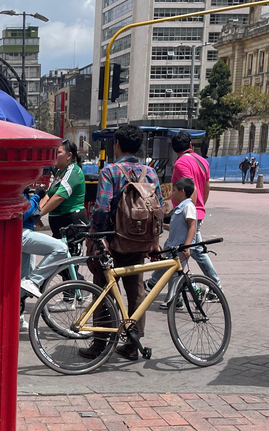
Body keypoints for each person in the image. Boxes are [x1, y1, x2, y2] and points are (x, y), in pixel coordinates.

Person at [79, 125, 163, 362]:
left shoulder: (111, 172)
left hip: (113, 242)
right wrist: (154, 241)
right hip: (140, 242)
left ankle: (100, 344)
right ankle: (133, 343)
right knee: (136, 291)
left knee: (103, 290)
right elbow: (159, 210)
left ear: (117, 144)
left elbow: (103, 208)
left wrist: (95, 235)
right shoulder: (150, 173)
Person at [147, 131, 222, 290]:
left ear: (174, 149)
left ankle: (211, 287)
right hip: (196, 211)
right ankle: (155, 282)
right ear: (190, 145)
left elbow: (192, 189)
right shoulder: (202, 161)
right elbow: (206, 187)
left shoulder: (181, 164)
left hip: (187, 214)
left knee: (191, 252)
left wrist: (191, 212)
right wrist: (201, 208)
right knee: (173, 249)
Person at [38, 139, 87, 305]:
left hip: (72, 220)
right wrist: (37, 211)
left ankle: (73, 295)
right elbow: (49, 194)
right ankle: (77, 290)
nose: (55, 156)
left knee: (68, 260)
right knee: (60, 259)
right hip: (59, 222)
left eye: (58, 152)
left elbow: (59, 196)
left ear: (69, 155)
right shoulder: (59, 173)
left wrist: (39, 215)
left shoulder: (73, 171)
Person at [19, 186, 72, 331]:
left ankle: (18, 319)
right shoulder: (20, 188)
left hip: (23, 232)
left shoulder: (23, 189)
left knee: (23, 278)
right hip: (21, 234)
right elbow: (23, 214)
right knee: (61, 249)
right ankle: (34, 281)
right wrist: (36, 197)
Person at [153, 178, 198, 308]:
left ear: (182, 191)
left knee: (174, 275)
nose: (172, 193)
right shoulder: (180, 207)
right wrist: (162, 225)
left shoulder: (188, 206)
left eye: (174, 190)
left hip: (182, 248)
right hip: (173, 247)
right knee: (174, 274)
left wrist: (187, 246)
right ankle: (189, 293)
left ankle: (173, 300)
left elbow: (192, 227)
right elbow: (175, 227)